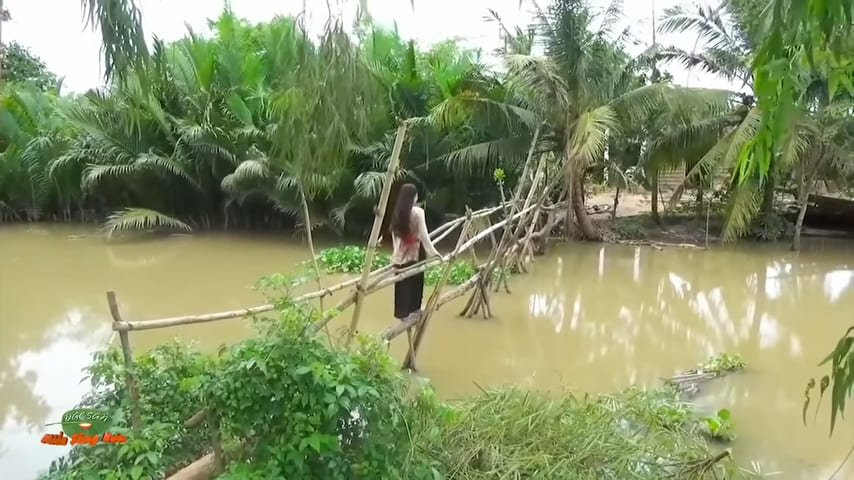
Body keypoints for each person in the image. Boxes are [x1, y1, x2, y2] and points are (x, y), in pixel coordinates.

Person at [389, 184, 440, 358]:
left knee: (402, 284)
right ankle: (413, 309)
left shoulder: (398, 212)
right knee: (415, 282)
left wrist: (395, 257)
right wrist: (434, 253)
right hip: (415, 255)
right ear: (414, 197)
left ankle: (403, 313)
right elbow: (424, 235)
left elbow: (395, 238)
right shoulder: (418, 212)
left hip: (400, 258)